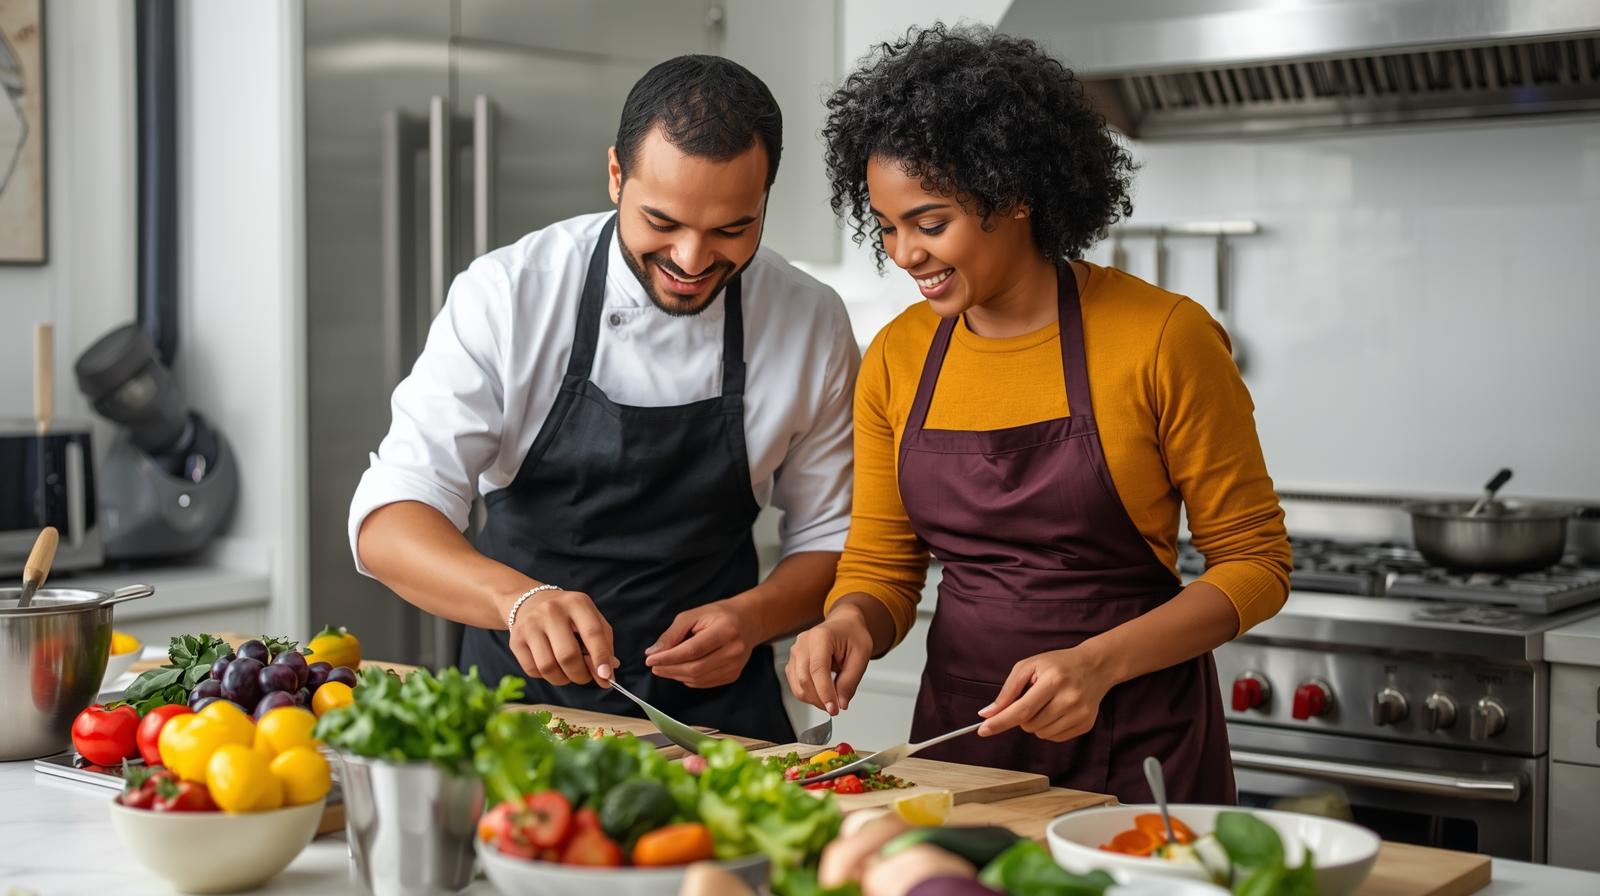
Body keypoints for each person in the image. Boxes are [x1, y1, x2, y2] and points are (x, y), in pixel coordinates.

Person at [786, 24, 1291, 802]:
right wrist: (850, 621)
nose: (904, 254)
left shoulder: (1163, 336)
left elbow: (1256, 563)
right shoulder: (898, 355)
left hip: (1141, 742)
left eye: (929, 223)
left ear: (1014, 193)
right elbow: (884, 567)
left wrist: (1099, 663)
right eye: (886, 227)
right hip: (962, 743)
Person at [351, 56, 859, 744]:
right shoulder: (510, 295)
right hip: (519, 715)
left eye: (731, 231)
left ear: (765, 198)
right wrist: (519, 599)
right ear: (616, 175)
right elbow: (388, 522)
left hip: (716, 730)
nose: (690, 258)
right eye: (662, 221)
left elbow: (832, 540)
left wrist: (755, 617)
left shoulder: (809, 320)